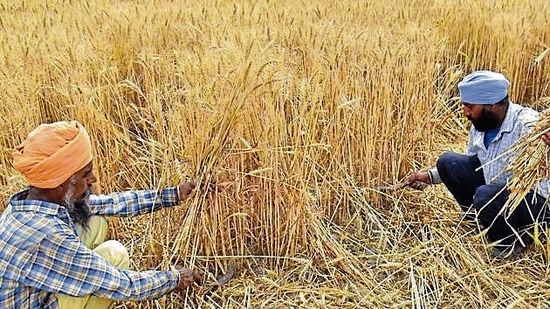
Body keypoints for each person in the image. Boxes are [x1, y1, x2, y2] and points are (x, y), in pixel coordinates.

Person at [0, 120, 201, 308]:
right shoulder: (47, 234)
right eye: (86, 174)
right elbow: (119, 284)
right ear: (61, 181)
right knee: (116, 253)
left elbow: (110, 203)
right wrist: (174, 278)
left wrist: (174, 194)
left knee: (94, 221)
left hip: (36, 289)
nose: (93, 179)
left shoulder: (28, 204)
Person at [404, 70, 549, 260]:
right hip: (495, 195)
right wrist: (429, 176)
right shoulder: (481, 124)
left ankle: (510, 242)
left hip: (535, 207)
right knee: (448, 162)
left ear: (494, 104)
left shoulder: (527, 125)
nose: (465, 112)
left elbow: (542, 133)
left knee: (486, 195)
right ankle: (486, 222)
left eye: (470, 106)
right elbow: (473, 163)